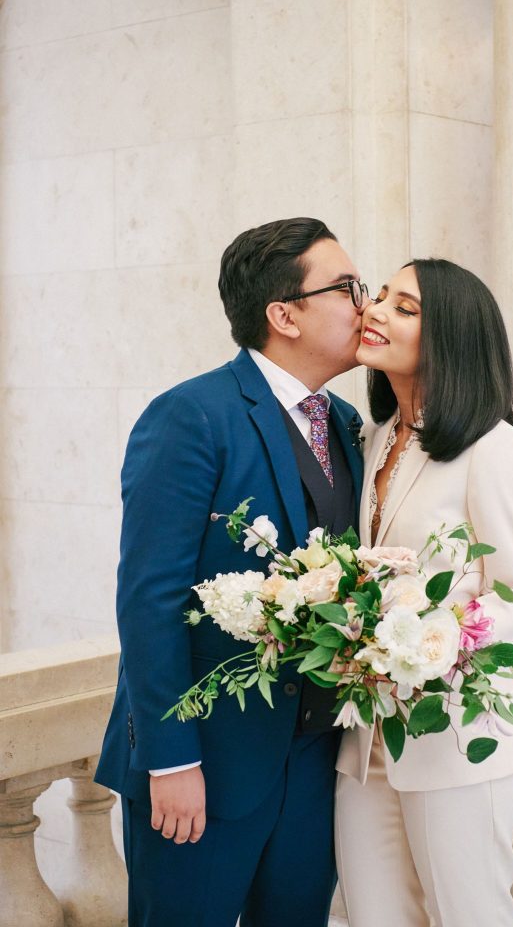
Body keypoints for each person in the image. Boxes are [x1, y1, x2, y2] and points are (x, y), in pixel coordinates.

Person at [95, 217, 369, 927]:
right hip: (202, 770)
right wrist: (170, 760)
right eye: (347, 287)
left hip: (312, 763)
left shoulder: (342, 421)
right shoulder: (192, 415)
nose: (363, 304)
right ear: (285, 315)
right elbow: (149, 600)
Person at [335, 258, 513, 927]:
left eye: (405, 307)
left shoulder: (494, 447)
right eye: (381, 298)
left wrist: (426, 643)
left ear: (450, 337)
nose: (375, 313)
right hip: (363, 745)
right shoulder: (372, 440)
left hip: (458, 736)